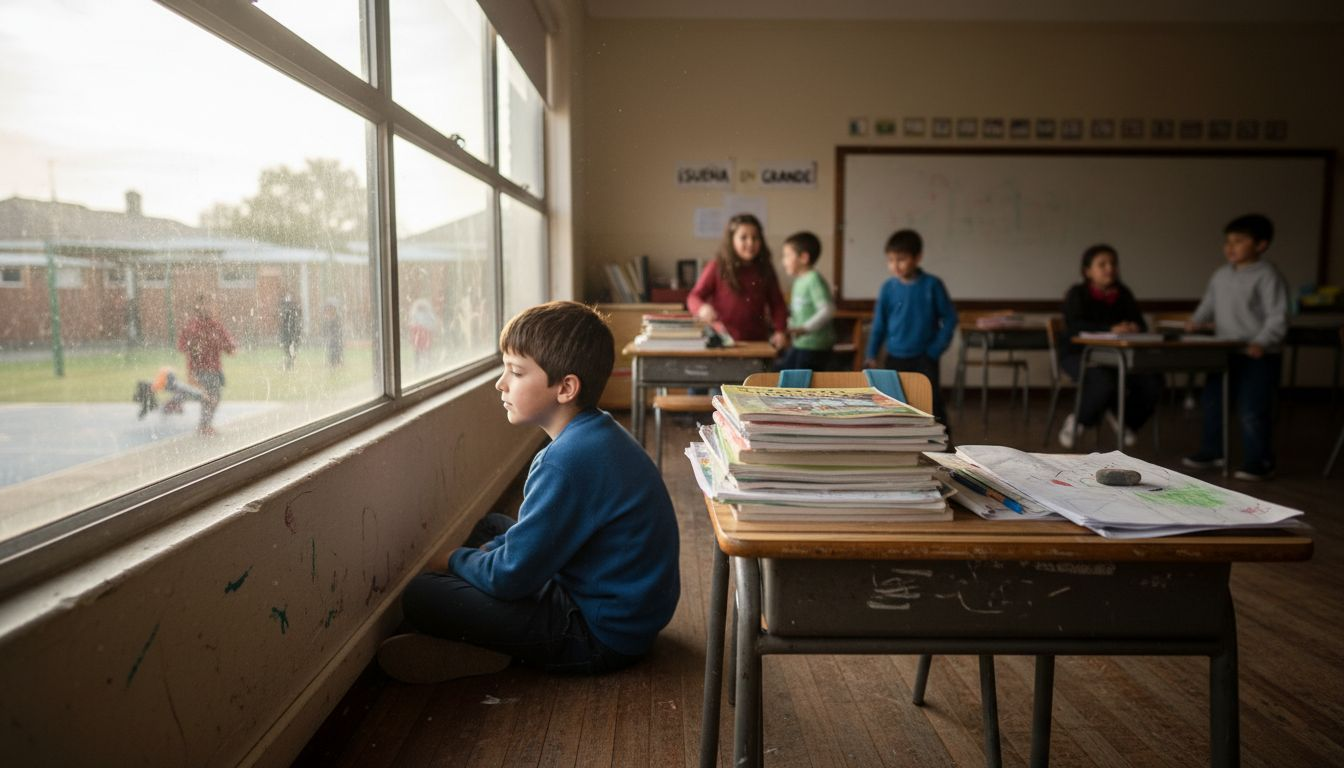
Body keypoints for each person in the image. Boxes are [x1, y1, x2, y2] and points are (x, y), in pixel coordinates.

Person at [377, 301, 681, 683]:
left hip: (599, 636)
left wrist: (455, 560)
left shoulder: (565, 462)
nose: (500, 383)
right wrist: (485, 560)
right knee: (493, 526)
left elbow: (510, 576)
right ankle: (480, 625)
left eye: (516, 372)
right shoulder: (596, 432)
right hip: (626, 615)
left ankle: (480, 645)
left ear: (566, 387)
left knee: (422, 593)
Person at [1182, 214, 1290, 481]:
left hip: (1258, 355)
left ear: (1261, 245)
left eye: (1239, 241)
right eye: (1228, 241)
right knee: (1212, 402)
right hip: (1224, 352)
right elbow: (1208, 305)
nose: (1230, 247)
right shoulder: (1221, 275)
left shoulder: (1268, 275)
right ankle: (1212, 450)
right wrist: (1196, 322)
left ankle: (1260, 460)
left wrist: (1261, 342)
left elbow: (1278, 316)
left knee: (1253, 409)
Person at [1056, 244, 1163, 449]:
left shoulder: (1123, 293)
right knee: (1103, 380)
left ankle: (1124, 420)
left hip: (1119, 356)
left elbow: (1141, 324)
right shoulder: (1077, 294)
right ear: (1087, 271)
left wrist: (1132, 327)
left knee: (1153, 381)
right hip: (1079, 354)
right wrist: (1111, 327)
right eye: (1102, 264)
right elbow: (1075, 327)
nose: (1109, 268)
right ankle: (1079, 420)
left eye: (1113, 263)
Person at [863, 229, 957, 437]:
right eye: (890, 260)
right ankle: (900, 442)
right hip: (895, 356)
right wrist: (871, 354)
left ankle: (944, 446)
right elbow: (879, 324)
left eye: (902, 259)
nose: (895, 265)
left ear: (917, 258)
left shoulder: (932, 285)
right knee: (895, 402)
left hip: (924, 357)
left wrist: (934, 350)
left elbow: (950, 319)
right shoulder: (888, 288)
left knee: (932, 404)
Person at [686, 213, 789, 348]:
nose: (750, 243)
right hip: (723, 340)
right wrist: (702, 308)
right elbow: (694, 296)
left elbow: (777, 303)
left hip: (757, 342)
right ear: (731, 240)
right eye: (743, 238)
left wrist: (780, 330)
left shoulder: (765, 269)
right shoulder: (717, 267)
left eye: (755, 238)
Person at [776, 231, 836, 372]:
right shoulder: (799, 281)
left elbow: (828, 310)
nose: (783, 261)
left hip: (816, 346)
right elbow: (798, 312)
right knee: (784, 371)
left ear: (803, 257)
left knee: (801, 384)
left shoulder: (813, 279)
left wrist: (805, 328)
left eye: (787, 255)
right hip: (801, 344)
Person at [177, 294, 236, 437]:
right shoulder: (192, 327)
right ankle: (204, 425)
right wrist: (195, 345)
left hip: (214, 368)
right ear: (197, 307)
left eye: (209, 304)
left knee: (211, 396)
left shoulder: (216, 326)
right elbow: (182, 346)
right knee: (209, 396)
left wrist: (226, 346)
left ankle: (203, 423)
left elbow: (230, 347)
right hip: (199, 369)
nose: (207, 308)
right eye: (203, 304)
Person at [407, 298, 438, 370]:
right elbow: (412, 324)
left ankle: (426, 364)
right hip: (419, 338)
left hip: (425, 337)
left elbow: (432, 323)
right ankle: (418, 365)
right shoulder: (415, 314)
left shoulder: (428, 314)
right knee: (418, 352)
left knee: (425, 352)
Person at [278, 293, 302, 371]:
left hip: (290, 336)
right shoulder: (291, 313)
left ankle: (289, 365)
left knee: (289, 352)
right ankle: (289, 365)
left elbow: (295, 326)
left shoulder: (290, 314)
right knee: (289, 352)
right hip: (289, 336)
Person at [322, 299, 344, 367]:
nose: (330, 310)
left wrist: (329, 320)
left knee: (336, 351)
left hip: (336, 339)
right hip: (333, 339)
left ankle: (337, 363)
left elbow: (337, 328)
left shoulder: (336, 318)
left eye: (331, 308)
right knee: (332, 352)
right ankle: (334, 363)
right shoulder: (332, 318)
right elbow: (327, 329)